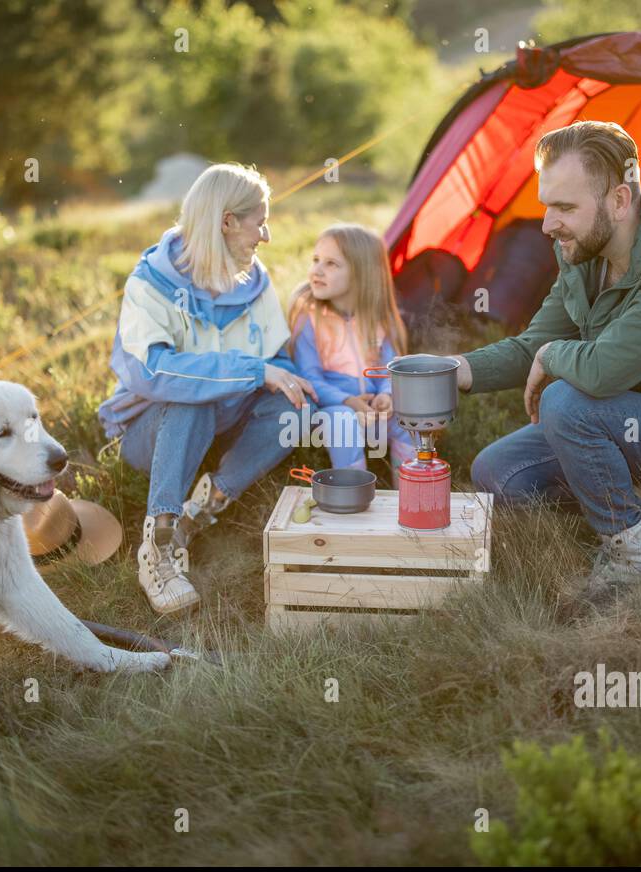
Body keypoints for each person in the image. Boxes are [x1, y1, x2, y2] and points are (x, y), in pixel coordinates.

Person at [449, 120, 641, 604]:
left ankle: (636, 564)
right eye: (546, 206)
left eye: (565, 207)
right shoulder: (582, 251)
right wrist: (450, 370)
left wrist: (553, 356)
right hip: (627, 418)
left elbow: (601, 371)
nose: (547, 224)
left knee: (565, 402)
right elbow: (532, 344)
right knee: (499, 472)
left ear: (620, 200)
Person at [98, 163, 317, 615]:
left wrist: (284, 377)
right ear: (226, 222)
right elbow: (155, 372)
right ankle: (158, 544)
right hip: (150, 430)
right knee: (190, 398)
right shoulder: (150, 284)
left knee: (294, 407)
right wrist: (254, 372)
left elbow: (274, 359)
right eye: (260, 223)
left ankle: (203, 506)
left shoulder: (254, 282)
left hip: (224, 422)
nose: (266, 236)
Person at [287, 224, 414, 478]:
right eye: (316, 260)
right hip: (328, 411)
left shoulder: (378, 319)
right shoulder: (310, 319)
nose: (317, 270)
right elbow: (309, 378)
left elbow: (390, 368)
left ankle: (410, 487)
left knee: (406, 416)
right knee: (343, 421)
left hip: (370, 411)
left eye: (331, 264)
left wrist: (386, 395)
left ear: (362, 274)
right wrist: (348, 401)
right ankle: (352, 487)